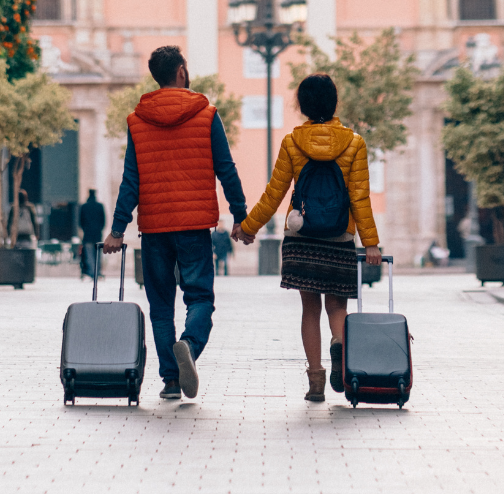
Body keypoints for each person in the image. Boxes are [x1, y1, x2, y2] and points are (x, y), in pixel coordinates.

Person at [102, 46, 248, 401]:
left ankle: (170, 379)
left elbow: (130, 180)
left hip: (154, 227)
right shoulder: (206, 114)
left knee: (161, 304)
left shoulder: (137, 120)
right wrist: (242, 215)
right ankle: (190, 345)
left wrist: (118, 229)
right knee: (200, 298)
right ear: (181, 71)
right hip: (195, 225)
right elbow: (225, 168)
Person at [232, 73, 379, 404]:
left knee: (309, 308)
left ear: (303, 105)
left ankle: (316, 381)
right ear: (335, 102)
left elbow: (274, 193)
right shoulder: (354, 143)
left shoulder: (292, 142)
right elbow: (360, 197)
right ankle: (339, 343)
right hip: (340, 235)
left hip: (302, 235)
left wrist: (248, 226)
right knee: (337, 305)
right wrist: (370, 242)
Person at [78, 189, 106, 279]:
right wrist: (99, 229)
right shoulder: (100, 206)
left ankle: (92, 272)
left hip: (88, 235)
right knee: (98, 255)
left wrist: (85, 229)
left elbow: (80, 222)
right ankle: (97, 272)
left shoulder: (84, 206)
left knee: (89, 256)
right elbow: (103, 221)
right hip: (98, 235)